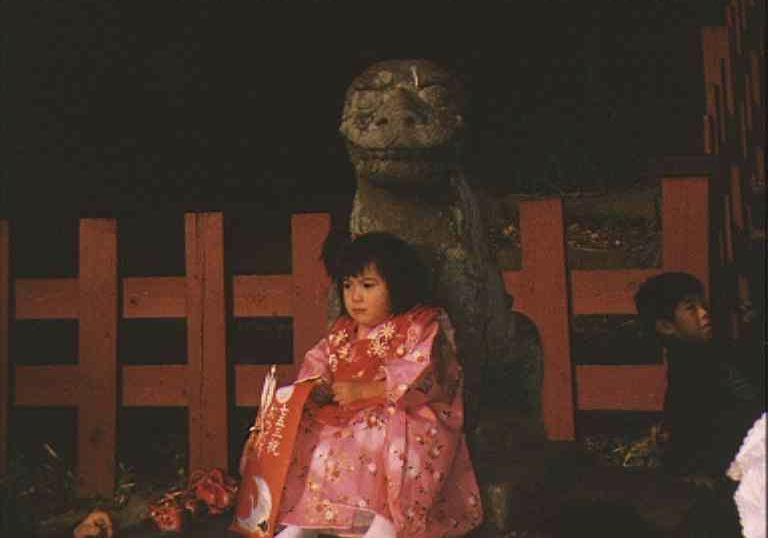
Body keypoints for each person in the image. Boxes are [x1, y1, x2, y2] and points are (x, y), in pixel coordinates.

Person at [275, 232, 482, 538]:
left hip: (406, 413)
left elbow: (426, 374)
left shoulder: (420, 325)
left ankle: (386, 521)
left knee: (379, 432)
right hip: (347, 412)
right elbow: (320, 361)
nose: (355, 297)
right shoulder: (343, 331)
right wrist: (316, 387)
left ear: (397, 286)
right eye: (348, 285)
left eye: (367, 286)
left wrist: (369, 391)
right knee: (310, 430)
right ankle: (304, 521)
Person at [634, 271, 764, 536]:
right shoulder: (688, 367)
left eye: (702, 305)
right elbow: (690, 421)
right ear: (666, 326)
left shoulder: (712, 355)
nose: (704, 312)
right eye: (691, 309)